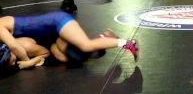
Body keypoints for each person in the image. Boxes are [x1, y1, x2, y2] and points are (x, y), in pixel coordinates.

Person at [0, 11, 140, 70]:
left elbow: (15, 47)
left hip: (56, 21)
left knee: (86, 46)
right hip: (53, 35)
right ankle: (104, 38)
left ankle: (129, 43)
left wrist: (27, 61)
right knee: (67, 58)